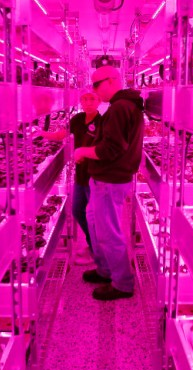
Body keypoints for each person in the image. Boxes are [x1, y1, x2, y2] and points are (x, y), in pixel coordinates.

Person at [73, 66, 145, 301]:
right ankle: (105, 270)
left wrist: (83, 150)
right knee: (95, 224)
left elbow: (111, 149)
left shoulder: (119, 108)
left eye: (97, 84)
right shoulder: (124, 106)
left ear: (113, 81)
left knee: (108, 233)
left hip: (109, 180)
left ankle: (122, 283)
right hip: (106, 179)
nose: (94, 90)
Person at [38, 90, 102, 265]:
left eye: (92, 99)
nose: (88, 102)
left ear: (98, 101)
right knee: (77, 211)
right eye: (85, 99)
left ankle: (96, 252)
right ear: (81, 101)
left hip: (96, 175)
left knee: (94, 216)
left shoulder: (103, 122)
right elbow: (60, 135)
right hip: (81, 173)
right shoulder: (77, 119)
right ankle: (92, 244)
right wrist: (41, 133)